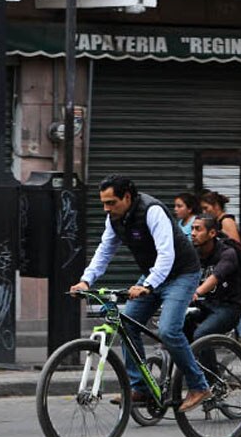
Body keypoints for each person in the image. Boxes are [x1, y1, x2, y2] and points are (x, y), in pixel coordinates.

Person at [70, 175, 210, 413]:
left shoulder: (152, 211)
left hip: (182, 274)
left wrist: (148, 285)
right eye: (103, 203)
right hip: (152, 275)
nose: (106, 208)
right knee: (127, 324)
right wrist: (86, 280)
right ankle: (141, 388)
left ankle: (199, 386)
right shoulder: (114, 219)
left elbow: (167, 255)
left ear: (127, 197)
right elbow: (104, 251)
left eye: (111, 202)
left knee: (168, 330)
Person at [200, 190, 241, 352]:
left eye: (206, 208)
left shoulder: (226, 221)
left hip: (230, 273)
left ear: (216, 206)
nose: (203, 212)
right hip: (222, 273)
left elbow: (234, 245)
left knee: (232, 305)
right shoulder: (216, 222)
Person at [185, 214, 241, 341]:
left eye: (198, 229)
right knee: (177, 327)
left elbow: (216, 277)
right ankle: (191, 359)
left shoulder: (227, 253)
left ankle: (208, 362)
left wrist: (196, 292)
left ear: (212, 233)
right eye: (192, 229)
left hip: (228, 308)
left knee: (201, 335)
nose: (193, 233)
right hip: (205, 305)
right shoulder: (193, 252)